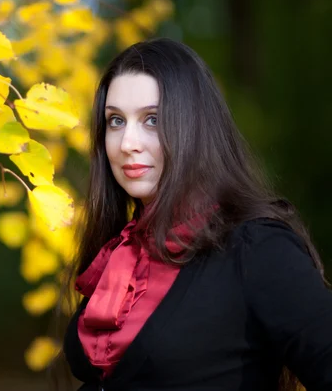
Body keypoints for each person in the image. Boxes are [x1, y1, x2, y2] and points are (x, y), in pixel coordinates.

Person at [60, 38, 332, 391]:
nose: (127, 143)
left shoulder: (257, 248)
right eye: (115, 121)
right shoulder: (123, 252)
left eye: (152, 119)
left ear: (195, 127)